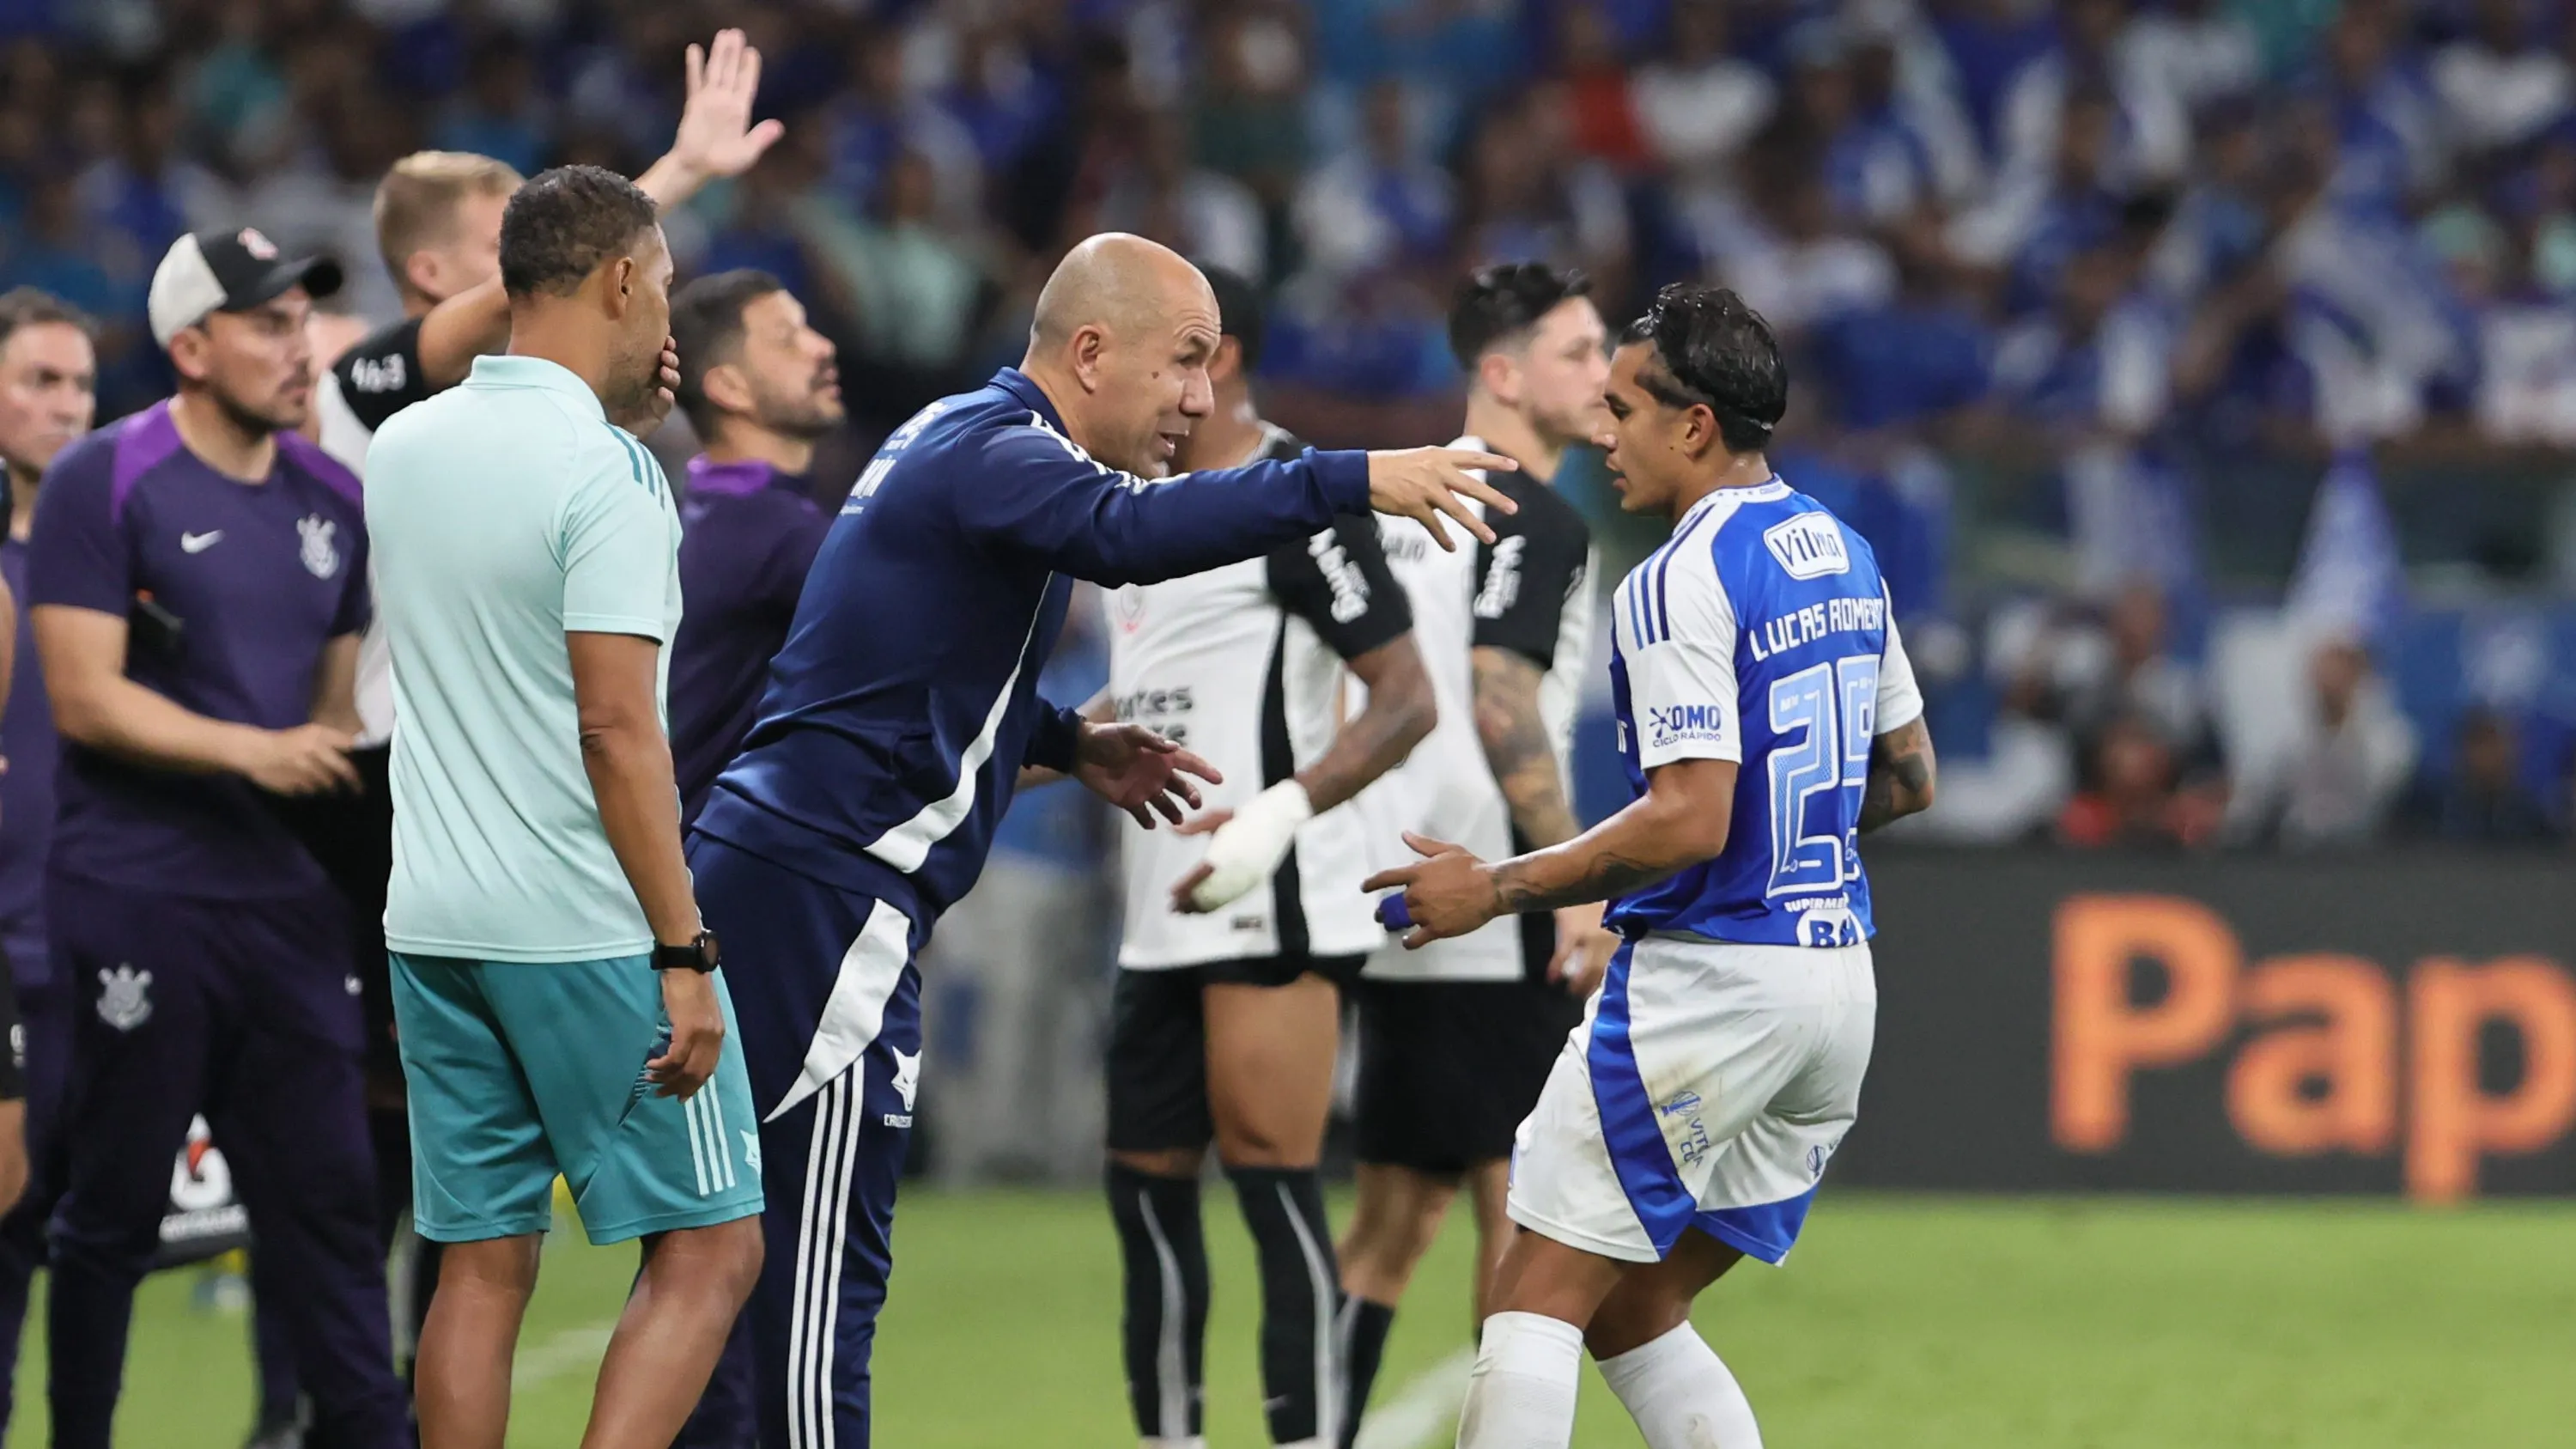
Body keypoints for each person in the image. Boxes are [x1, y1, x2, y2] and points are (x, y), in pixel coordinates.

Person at [683, 231, 1520, 1447]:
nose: (1201, 393)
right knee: (815, 1282)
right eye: (1183, 360)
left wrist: (1071, 741)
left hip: (788, 874)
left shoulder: (950, 437)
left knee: (729, 1260)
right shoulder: (1011, 453)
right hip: (829, 892)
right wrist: (1347, 476)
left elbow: (894, 670)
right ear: (1089, 351)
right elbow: (1127, 534)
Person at [1364, 284, 1939, 1449]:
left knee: (1533, 1293)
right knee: (1637, 1303)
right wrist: (1787, 845)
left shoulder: (1678, 574)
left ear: (1694, 426)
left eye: (1624, 407)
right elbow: (1911, 774)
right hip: (1835, 985)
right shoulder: (1843, 548)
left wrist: (1499, 886)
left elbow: (1686, 818)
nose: (1601, 431)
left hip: (1713, 987)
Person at [362, 164, 764, 1449]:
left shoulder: (404, 444)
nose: (672, 322)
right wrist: (683, 948)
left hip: (432, 918)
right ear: (625, 278)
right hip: (583, 922)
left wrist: (620, 436)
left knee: (479, 1262)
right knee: (712, 1245)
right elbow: (612, 724)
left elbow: (496, 614)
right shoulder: (612, 476)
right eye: (668, 285)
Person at [23, 228, 404, 1449]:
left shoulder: (338, 496)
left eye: (304, 320)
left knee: (333, 1206)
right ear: (191, 347)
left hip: (289, 908)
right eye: (269, 324)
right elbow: (83, 694)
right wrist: (255, 751)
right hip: (139, 896)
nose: (301, 349)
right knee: (115, 1207)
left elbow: (332, 714)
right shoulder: (104, 477)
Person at [1100, 265, 1437, 1449]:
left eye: (1177, 357)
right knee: (1142, 1195)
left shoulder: (1295, 497)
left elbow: (1405, 698)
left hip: (1270, 904)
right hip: (1156, 908)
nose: (1164, 387)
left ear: (1221, 358)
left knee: (1270, 1181)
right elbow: (1145, 692)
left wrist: (1276, 816)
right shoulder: (1134, 506)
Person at [1336, 262, 1617, 1445]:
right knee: (1525, 1210)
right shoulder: (1536, 513)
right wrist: (1567, 888)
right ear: (1501, 374)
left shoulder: (1397, 509)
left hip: (1393, 890)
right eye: (1580, 351)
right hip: (1489, 891)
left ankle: (1321, 1429)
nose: (1607, 376)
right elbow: (1504, 702)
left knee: (1393, 1215)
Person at [0, 284, 97, 1434]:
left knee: (87, 1240)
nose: (65, 405)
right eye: (37, 380)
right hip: (5, 951)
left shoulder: (127, 553)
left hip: (92, 950)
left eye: (78, 381)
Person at [665, 268, 841, 826]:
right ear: (729, 387)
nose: (821, 347)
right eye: (788, 339)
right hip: (714, 887)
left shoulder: (704, 503)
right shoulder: (773, 534)